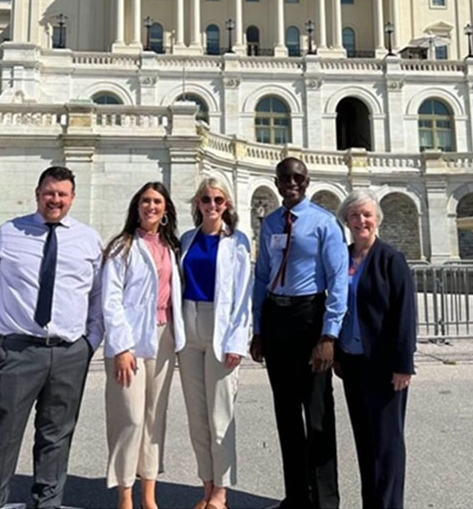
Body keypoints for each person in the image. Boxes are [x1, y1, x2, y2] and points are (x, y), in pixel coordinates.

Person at [0, 165, 104, 509]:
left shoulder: (88, 239)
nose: (55, 200)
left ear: (73, 198)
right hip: (20, 349)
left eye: (62, 194)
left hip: (68, 352)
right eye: (49, 193)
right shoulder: (9, 232)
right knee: (4, 434)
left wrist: (90, 342)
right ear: (37, 194)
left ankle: (47, 503)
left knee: (56, 435)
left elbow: (97, 296)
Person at [251, 157, 348, 509]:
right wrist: (259, 328)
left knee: (318, 412)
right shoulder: (272, 222)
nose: (291, 183)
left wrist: (328, 336)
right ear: (276, 183)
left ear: (307, 182)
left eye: (298, 177)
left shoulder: (324, 223)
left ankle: (325, 501)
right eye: (285, 178)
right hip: (277, 317)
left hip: (310, 318)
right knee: (286, 412)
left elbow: (338, 281)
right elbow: (262, 276)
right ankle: (297, 496)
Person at [102, 182, 186, 509]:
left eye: (157, 202)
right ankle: (125, 493)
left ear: (166, 211)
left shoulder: (172, 248)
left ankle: (149, 494)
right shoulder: (122, 246)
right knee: (130, 417)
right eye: (146, 201)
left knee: (154, 418)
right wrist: (122, 347)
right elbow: (110, 301)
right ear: (137, 206)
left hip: (165, 336)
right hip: (131, 341)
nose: (151, 206)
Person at [335, 189, 416, 509]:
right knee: (365, 440)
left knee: (387, 442)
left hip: (385, 365)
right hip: (352, 362)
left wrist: (404, 363)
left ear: (378, 219)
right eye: (354, 215)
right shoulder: (342, 255)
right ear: (346, 221)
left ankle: (389, 505)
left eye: (367, 214)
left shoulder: (391, 259)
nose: (361, 221)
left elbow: (405, 313)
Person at [178, 177, 252, 509]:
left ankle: (222, 491)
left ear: (227, 205)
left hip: (220, 329)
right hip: (189, 328)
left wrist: (238, 340)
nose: (212, 205)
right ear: (198, 203)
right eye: (206, 199)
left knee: (220, 414)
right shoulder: (186, 239)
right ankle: (206, 486)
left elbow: (243, 296)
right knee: (197, 416)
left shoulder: (238, 242)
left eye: (218, 200)